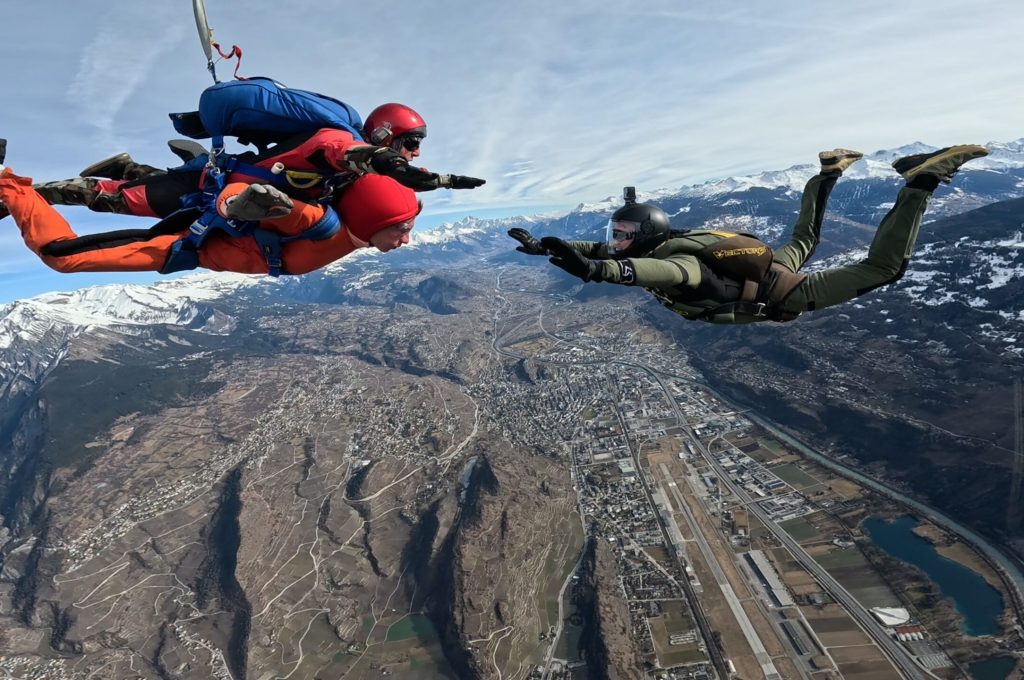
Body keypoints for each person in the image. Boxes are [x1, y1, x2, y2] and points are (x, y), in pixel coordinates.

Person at [509, 145, 988, 324]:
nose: (616, 239)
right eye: (616, 232)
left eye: (624, 233)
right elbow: (610, 249)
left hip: (787, 294)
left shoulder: (679, 264)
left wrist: (599, 271)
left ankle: (921, 181)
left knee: (884, 268)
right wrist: (547, 246)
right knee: (804, 237)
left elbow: (645, 268)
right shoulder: (661, 238)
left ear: (644, 235)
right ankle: (829, 172)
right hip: (770, 267)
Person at [7, 102, 482, 222]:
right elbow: (377, 161)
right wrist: (438, 179)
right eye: (412, 140)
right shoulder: (341, 145)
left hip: (218, 184)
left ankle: (127, 165)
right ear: (384, 136)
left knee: (170, 196)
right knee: (115, 204)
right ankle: (14, 193)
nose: (415, 150)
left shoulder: (346, 167)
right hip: (214, 186)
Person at [1, 159, 420, 276]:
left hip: (194, 250)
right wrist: (235, 204)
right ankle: (8, 185)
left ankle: (128, 172)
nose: (406, 240)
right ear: (371, 218)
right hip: (183, 247)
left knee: (130, 203)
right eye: (401, 228)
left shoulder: (348, 234)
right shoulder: (317, 223)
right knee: (63, 256)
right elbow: (248, 198)